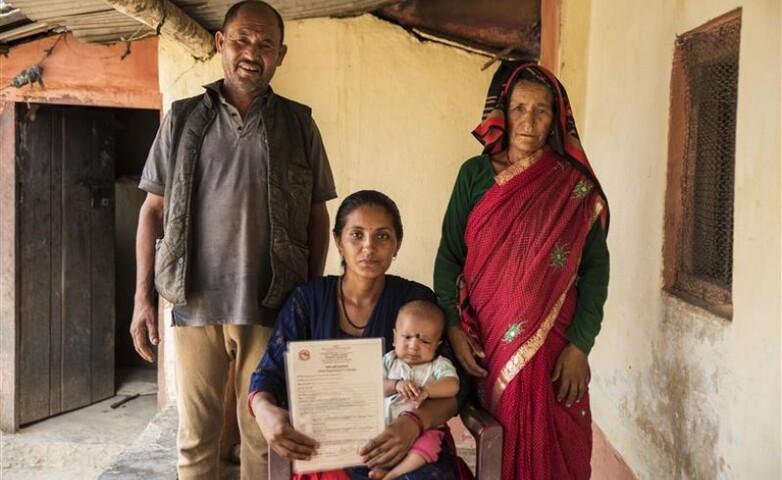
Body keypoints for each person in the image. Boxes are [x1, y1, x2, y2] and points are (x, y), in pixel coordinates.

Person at [129, 1, 337, 478]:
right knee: (195, 439)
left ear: (280, 55)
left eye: (265, 44)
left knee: (263, 439)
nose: (252, 52)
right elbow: (152, 211)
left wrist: (306, 300)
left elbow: (316, 217)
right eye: (241, 39)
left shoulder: (299, 124)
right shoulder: (181, 121)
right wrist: (143, 300)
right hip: (194, 301)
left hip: (270, 304)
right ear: (221, 44)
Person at [434, 63, 610, 480]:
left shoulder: (574, 187)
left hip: (556, 350)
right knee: (503, 436)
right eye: (519, 109)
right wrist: (455, 329)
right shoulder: (473, 176)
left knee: (561, 444)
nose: (529, 121)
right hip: (489, 343)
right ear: (503, 113)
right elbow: (448, 257)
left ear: (557, 119)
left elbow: (596, 272)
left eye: (541, 110)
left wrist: (580, 345)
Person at [249, 190, 472, 480]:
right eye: (356, 235)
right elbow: (269, 373)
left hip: (405, 447)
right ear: (338, 242)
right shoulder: (308, 300)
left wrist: (414, 424)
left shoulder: (415, 302)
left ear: (397, 244)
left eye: (382, 236)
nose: (369, 247)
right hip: (329, 450)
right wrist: (265, 412)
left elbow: (459, 384)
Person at [380, 300, 459, 480]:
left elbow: (452, 385)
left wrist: (427, 390)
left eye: (424, 340)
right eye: (406, 337)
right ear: (394, 337)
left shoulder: (438, 365)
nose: (413, 346)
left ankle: (393, 474)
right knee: (372, 445)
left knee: (430, 446)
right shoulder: (389, 361)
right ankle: (382, 468)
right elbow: (373, 386)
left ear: (437, 345)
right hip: (386, 426)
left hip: (424, 430)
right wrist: (395, 385)